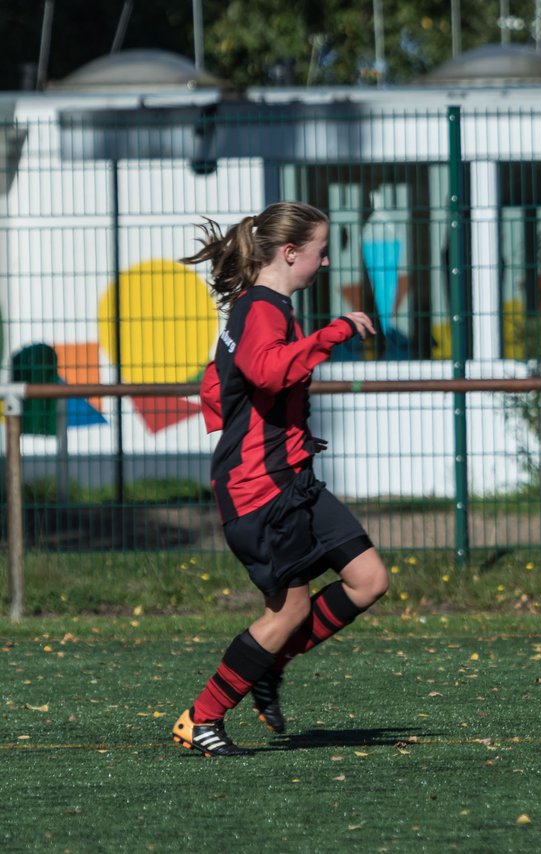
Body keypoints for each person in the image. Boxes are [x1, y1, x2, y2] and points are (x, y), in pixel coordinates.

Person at [170, 201, 390, 756]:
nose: (323, 264)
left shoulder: (263, 309)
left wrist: (271, 432)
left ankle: (269, 664)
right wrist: (332, 333)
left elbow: (217, 387)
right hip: (260, 490)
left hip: (293, 479)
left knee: (369, 580)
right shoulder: (262, 310)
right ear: (291, 253)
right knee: (288, 610)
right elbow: (265, 372)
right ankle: (200, 718)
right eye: (320, 253)